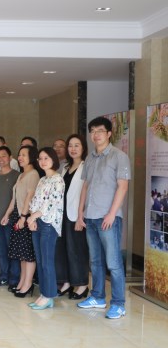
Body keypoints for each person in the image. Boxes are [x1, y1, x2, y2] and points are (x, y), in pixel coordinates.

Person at [76, 117, 131, 319]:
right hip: (90, 217)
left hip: (108, 218)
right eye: (92, 131)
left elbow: (123, 186)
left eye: (100, 130)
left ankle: (118, 303)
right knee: (95, 261)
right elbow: (85, 186)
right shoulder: (90, 158)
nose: (96, 134)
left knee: (113, 263)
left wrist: (111, 213)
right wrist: (80, 213)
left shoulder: (119, 156)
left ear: (109, 133)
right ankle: (97, 297)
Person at [26, 147, 65, 310]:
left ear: (53, 159)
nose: (43, 161)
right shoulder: (42, 180)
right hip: (38, 223)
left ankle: (49, 296)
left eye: (46, 158)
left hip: (49, 224)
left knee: (47, 262)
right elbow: (35, 201)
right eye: (40, 158)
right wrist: (31, 218)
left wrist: (33, 216)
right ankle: (43, 293)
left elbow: (51, 204)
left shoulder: (58, 179)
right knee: (40, 260)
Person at [2, 145, 40, 297]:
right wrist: (7, 214)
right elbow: (15, 199)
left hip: (27, 217)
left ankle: (28, 284)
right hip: (18, 216)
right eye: (19, 155)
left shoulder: (33, 174)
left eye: (24, 155)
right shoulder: (21, 175)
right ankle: (22, 282)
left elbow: (29, 197)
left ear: (32, 157)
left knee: (28, 253)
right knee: (21, 253)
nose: (20, 157)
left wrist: (23, 217)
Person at [55, 134, 90, 300]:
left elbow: (86, 193)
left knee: (77, 250)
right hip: (62, 214)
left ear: (83, 148)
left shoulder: (86, 166)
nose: (73, 149)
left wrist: (81, 216)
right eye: (70, 145)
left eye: (77, 145)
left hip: (76, 215)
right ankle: (67, 282)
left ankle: (82, 284)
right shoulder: (65, 167)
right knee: (63, 250)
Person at [0, 146, 21, 288]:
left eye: (4, 156)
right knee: (1, 251)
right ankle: (3, 277)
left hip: (11, 220)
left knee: (12, 250)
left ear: (10, 158)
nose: (1, 159)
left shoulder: (17, 176)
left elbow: (18, 198)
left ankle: (14, 279)